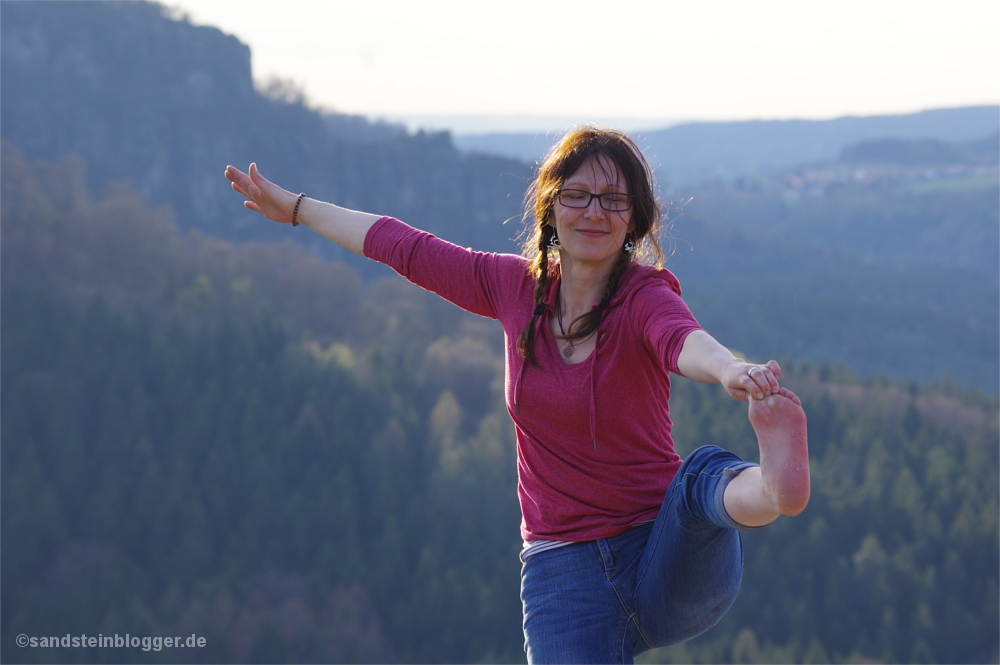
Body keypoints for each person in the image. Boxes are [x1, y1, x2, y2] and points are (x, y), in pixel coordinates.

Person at [224, 126, 809, 664]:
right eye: (578, 195)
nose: (594, 212)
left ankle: (773, 487)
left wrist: (732, 371)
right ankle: (763, 488)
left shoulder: (644, 296)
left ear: (634, 219)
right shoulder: (512, 287)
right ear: (551, 206)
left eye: (614, 199)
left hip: (661, 549)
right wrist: (296, 209)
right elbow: (401, 245)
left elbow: (682, 339)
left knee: (701, 479)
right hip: (564, 573)